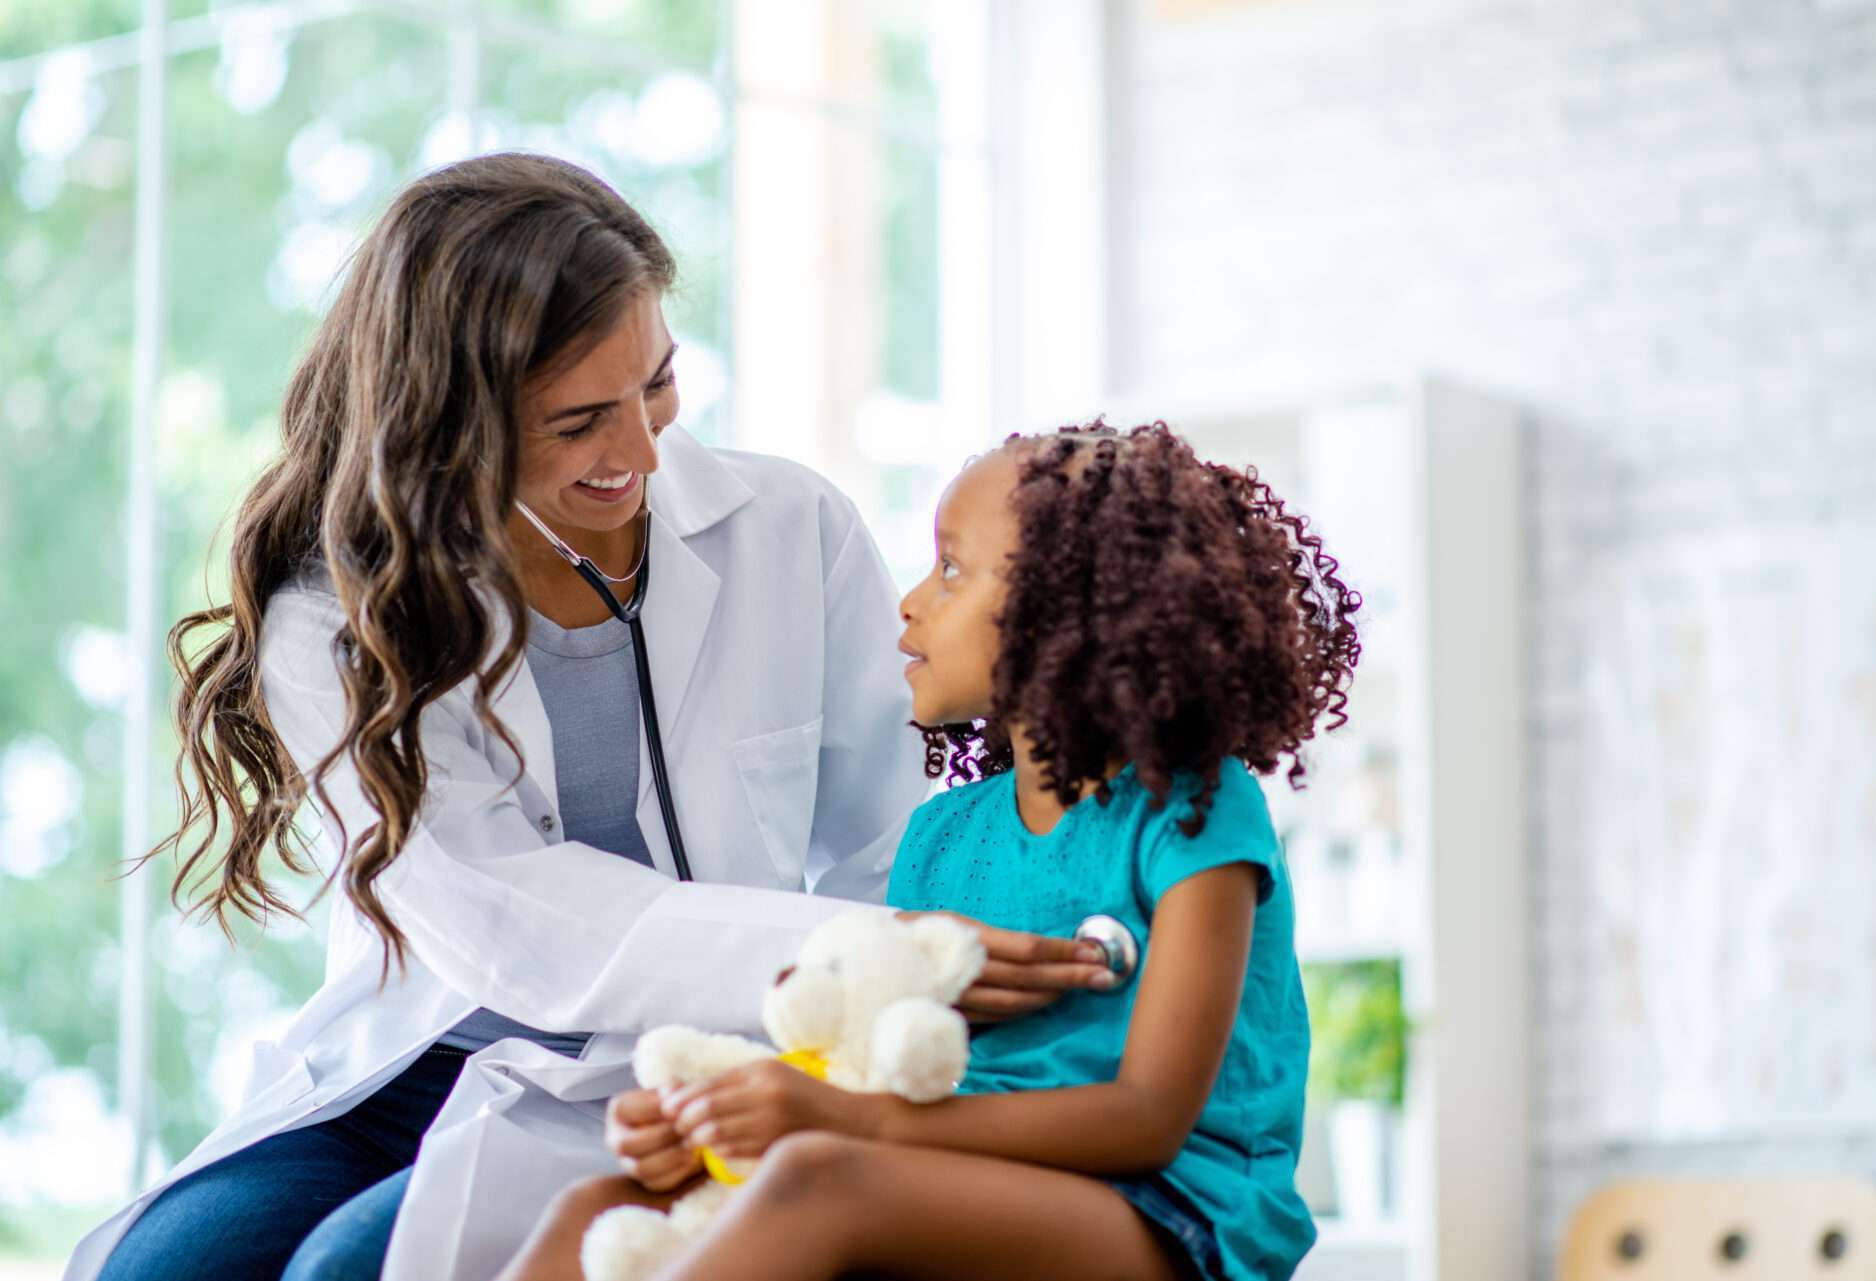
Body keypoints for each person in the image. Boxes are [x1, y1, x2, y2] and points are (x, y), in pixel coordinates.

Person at [69, 152, 1114, 1281]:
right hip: (422, 1061)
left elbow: (891, 843)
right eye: (578, 424)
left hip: (708, 1053)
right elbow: (511, 918)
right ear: (446, 425)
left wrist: (876, 1010)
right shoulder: (336, 618)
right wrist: (845, 950)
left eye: (656, 385)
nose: (642, 452)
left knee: (343, 1272)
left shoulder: (790, 528)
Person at [508, 421, 1363, 1281]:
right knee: (598, 1205)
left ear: (1074, 610)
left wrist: (848, 1122)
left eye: (951, 569)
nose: (910, 601)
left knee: (822, 1179)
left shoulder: (1194, 809)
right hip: (971, 1170)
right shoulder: (941, 836)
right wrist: (715, 1118)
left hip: (1173, 1210)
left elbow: (1147, 1118)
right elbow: (882, 1059)